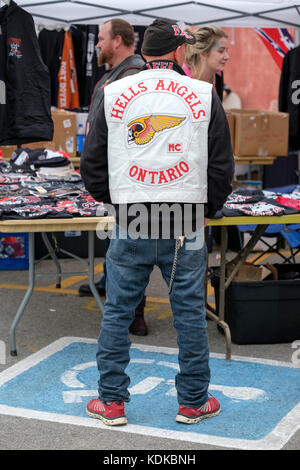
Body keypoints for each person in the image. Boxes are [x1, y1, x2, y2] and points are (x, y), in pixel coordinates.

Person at [80, 18, 234, 426]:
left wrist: (114, 201)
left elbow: (92, 163)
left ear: (146, 51)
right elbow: (222, 165)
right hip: (185, 217)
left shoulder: (113, 91)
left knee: (117, 311)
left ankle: (111, 402)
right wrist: (208, 208)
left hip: (131, 214)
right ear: (180, 51)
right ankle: (193, 401)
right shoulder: (203, 93)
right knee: (188, 312)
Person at [77, 19, 148, 336]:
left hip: (126, 182)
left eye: (101, 39)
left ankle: (134, 313)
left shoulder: (133, 77)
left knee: (131, 249)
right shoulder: (116, 74)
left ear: (118, 40)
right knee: (121, 244)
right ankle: (114, 288)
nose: (97, 45)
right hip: (116, 179)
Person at [183, 25, 229, 101]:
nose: (227, 57)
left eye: (227, 51)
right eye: (221, 51)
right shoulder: (183, 80)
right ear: (203, 53)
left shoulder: (218, 76)